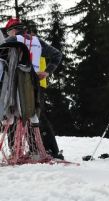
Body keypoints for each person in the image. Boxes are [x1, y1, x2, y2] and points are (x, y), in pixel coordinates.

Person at [4, 18, 63, 159]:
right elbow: (57, 55)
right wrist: (48, 71)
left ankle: (16, 151)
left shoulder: (11, 40)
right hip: (34, 84)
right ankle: (48, 150)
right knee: (37, 116)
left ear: (12, 30)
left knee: (13, 113)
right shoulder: (36, 41)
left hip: (16, 83)